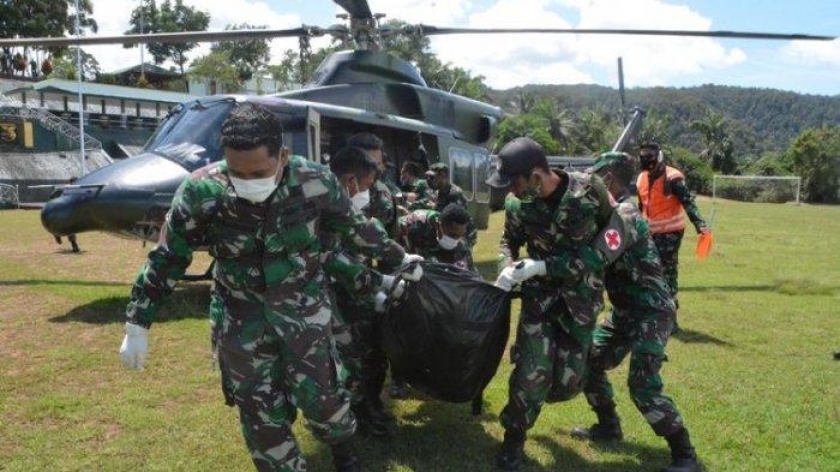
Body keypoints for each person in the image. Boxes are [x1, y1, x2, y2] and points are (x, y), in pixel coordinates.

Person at [118, 103, 422, 472]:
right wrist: (137, 323)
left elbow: (353, 226)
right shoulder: (202, 191)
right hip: (241, 324)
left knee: (325, 400)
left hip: (305, 316)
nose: (248, 181)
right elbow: (168, 257)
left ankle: (345, 454)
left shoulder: (314, 181)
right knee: (260, 415)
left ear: (283, 156)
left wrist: (398, 257)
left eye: (259, 172)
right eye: (237, 173)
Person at [487, 137, 613, 471]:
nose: (511, 191)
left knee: (569, 382)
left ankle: (605, 418)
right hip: (539, 303)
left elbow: (609, 241)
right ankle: (513, 442)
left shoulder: (589, 192)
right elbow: (508, 240)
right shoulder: (519, 205)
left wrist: (545, 266)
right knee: (530, 374)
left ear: (536, 176)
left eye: (514, 183)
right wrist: (506, 267)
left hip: (580, 302)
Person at [568, 152, 700, 472]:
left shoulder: (625, 215)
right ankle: (608, 426)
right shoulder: (607, 215)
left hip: (651, 312)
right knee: (589, 359)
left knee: (643, 385)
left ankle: (685, 455)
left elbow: (596, 258)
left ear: (607, 179)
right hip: (626, 313)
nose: (586, 186)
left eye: (592, 179)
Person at [325, 145, 416, 436]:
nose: (368, 190)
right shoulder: (321, 208)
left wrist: (397, 264)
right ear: (351, 180)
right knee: (347, 360)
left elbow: (376, 238)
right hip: (330, 297)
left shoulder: (347, 202)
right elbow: (332, 261)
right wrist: (382, 283)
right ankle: (352, 418)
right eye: (367, 184)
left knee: (372, 351)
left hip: (360, 289)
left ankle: (368, 407)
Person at [636, 142, 709, 326]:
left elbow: (688, 202)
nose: (648, 165)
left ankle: (670, 319)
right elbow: (641, 207)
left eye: (650, 159)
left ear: (659, 158)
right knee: (649, 272)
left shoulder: (673, 178)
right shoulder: (641, 178)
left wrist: (700, 224)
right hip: (649, 233)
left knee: (666, 273)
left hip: (670, 234)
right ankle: (655, 314)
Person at [399, 203, 478, 272]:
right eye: (453, 235)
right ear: (438, 226)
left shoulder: (463, 243)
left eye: (460, 235)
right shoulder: (418, 231)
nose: (456, 240)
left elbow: (471, 275)